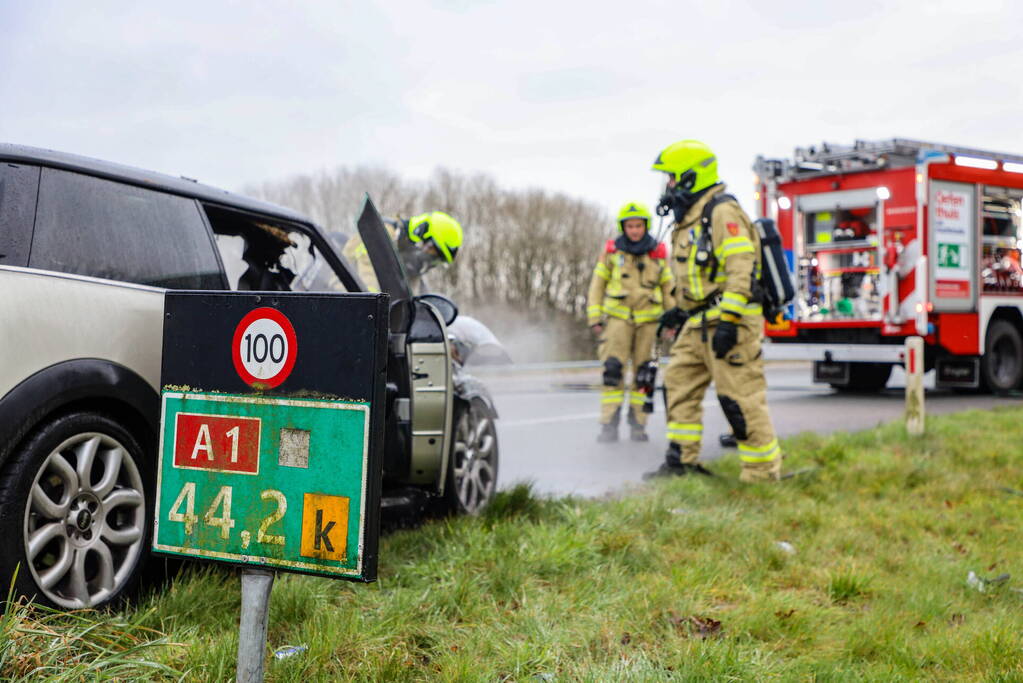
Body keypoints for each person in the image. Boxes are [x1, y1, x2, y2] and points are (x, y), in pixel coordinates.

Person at [647, 139, 782, 482]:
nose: (668, 186)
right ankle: (682, 464)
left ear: (691, 178)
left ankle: (762, 475)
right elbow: (695, 277)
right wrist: (678, 310)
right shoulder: (688, 220)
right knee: (677, 384)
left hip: (731, 321)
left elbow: (741, 268)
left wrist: (730, 322)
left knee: (740, 398)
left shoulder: (722, 212)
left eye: (672, 178)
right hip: (698, 323)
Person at [586, 201, 674, 443]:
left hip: (649, 323)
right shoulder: (612, 253)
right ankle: (608, 425)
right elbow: (597, 286)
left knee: (644, 376)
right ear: (623, 227)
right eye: (630, 226)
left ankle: (638, 425)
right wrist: (594, 317)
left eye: (638, 226)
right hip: (617, 321)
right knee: (612, 372)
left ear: (646, 226)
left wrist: (671, 320)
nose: (634, 230)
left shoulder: (657, 254)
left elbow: (669, 289)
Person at [343, 211, 463, 293]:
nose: (429, 260)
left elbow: (413, 296)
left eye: (436, 259)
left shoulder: (405, 259)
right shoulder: (381, 234)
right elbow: (368, 275)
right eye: (432, 251)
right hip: (340, 299)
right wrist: (375, 307)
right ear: (421, 232)